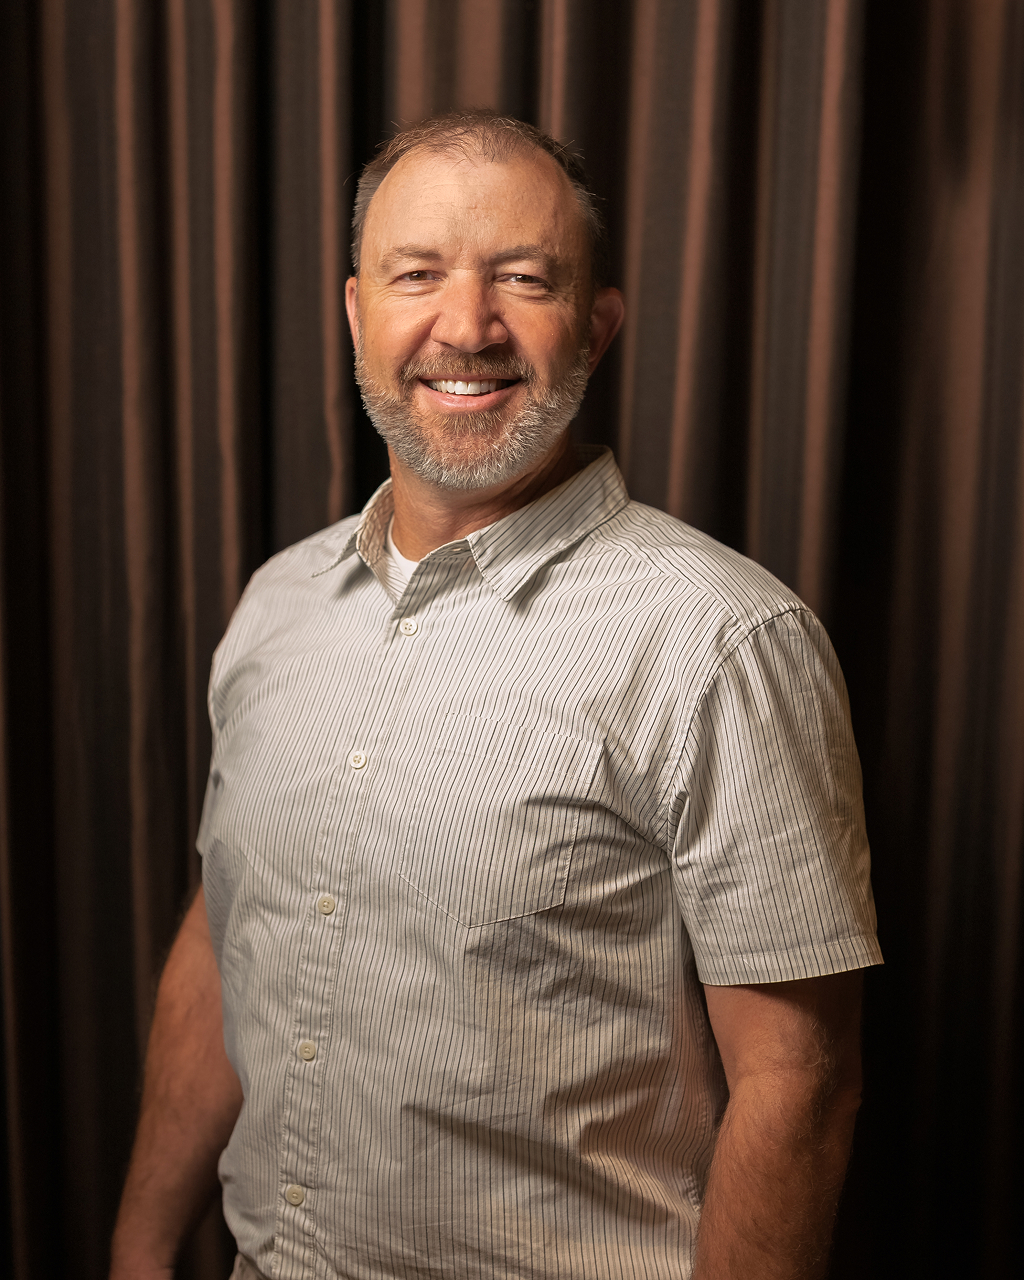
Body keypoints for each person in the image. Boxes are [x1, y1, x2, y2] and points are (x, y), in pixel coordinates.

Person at [111, 110, 881, 1280]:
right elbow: (229, 932)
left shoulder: (721, 641)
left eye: (523, 279)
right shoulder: (276, 605)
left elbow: (800, 1081)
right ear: (359, 310)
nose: (464, 328)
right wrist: (141, 1241)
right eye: (416, 275)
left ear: (598, 324)